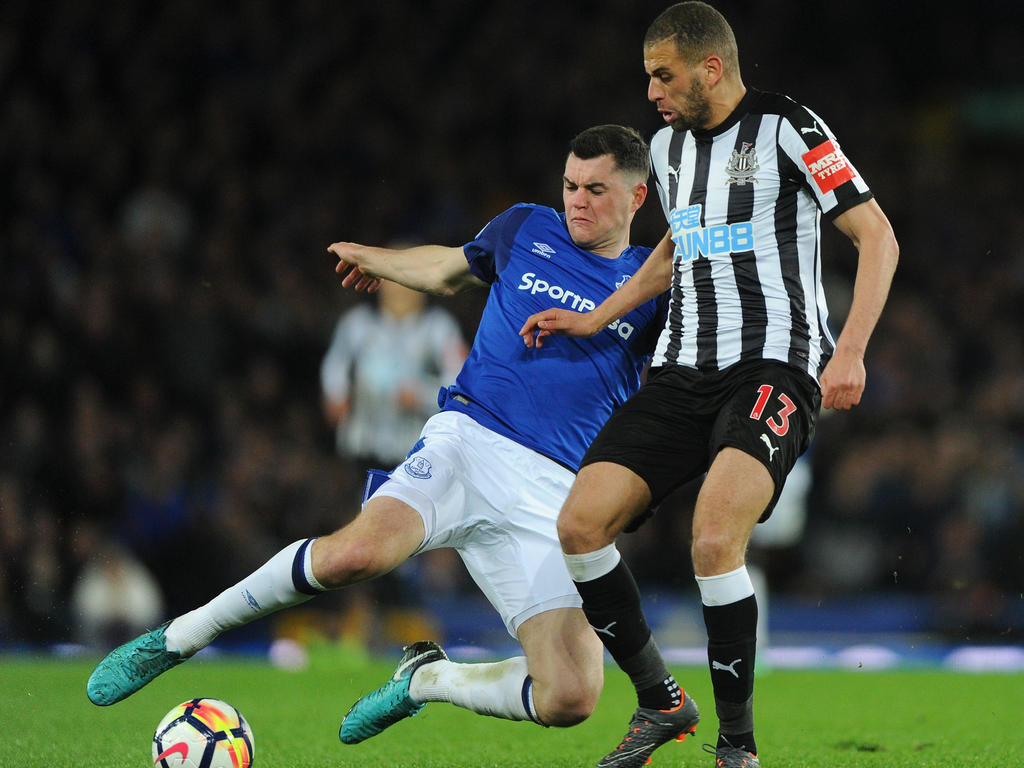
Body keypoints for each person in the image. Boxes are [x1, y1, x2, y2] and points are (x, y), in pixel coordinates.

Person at [86, 125, 670, 742]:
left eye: (595, 190)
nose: (576, 200)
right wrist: (379, 259)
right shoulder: (527, 227)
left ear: (636, 199)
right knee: (354, 556)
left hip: (557, 493)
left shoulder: (655, 288)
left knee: (572, 695)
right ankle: (181, 637)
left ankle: (426, 680)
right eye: (570, 184)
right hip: (468, 442)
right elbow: (449, 268)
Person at [520, 4, 899, 767]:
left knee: (715, 539)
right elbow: (673, 248)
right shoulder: (664, 147)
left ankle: (737, 749)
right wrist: (596, 319)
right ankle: (661, 701)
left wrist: (850, 350)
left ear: (710, 68)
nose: (653, 92)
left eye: (663, 75)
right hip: (680, 372)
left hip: (774, 368)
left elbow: (876, 235)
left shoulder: (789, 128)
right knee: (580, 526)